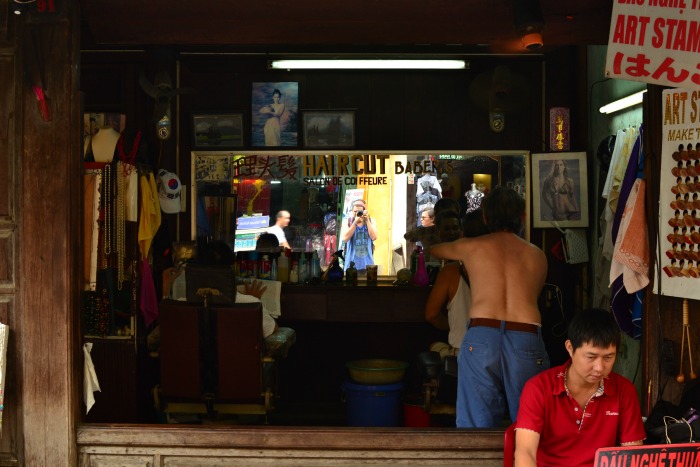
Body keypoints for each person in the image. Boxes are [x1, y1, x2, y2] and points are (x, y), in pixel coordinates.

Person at [430, 186, 549, 428]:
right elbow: (532, 295)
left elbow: (436, 249)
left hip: (482, 334)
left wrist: (455, 242)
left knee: (476, 423)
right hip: (525, 335)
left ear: (485, 218)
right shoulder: (537, 255)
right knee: (531, 422)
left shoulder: (472, 248)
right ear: (523, 218)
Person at [514, 308, 646, 467]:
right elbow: (525, 451)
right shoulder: (539, 388)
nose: (599, 367)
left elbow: (631, 455)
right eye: (591, 357)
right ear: (570, 348)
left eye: (608, 357)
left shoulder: (624, 391)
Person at [425, 210, 488, 359]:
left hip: (462, 354)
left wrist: (452, 326)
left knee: (433, 347)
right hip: (493, 351)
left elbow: (431, 315)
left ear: (462, 235)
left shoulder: (450, 272)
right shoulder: (500, 269)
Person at [341, 199, 377, 273]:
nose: (357, 213)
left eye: (359, 211)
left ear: (364, 211)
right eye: (355, 211)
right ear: (352, 211)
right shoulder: (347, 222)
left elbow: (374, 237)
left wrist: (367, 220)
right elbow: (345, 239)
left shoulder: (371, 221)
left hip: (368, 265)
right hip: (350, 266)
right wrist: (355, 223)